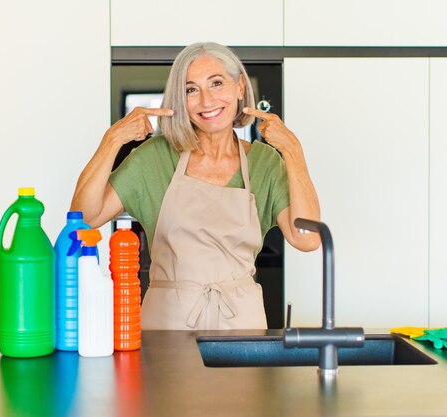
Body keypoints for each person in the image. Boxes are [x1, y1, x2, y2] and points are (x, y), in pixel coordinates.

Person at [71, 42, 320, 330]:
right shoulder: (155, 156)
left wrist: (293, 150)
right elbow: (83, 219)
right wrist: (112, 139)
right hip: (167, 327)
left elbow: (308, 238)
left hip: (241, 325)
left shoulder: (265, 163)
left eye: (216, 83)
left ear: (240, 87)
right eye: (191, 89)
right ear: (180, 99)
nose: (206, 100)